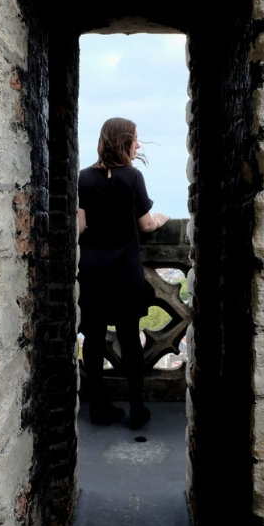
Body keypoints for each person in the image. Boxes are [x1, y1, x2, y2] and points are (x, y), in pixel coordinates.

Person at [77, 118, 169, 429]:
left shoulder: (83, 178)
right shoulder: (133, 177)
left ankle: (99, 407)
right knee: (130, 338)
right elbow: (145, 225)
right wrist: (159, 218)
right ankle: (136, 408)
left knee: (93, 337)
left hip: (91, 268)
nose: (139, 145)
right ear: (124, 142)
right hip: (124, 269)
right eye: (135, 140)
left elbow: (79, 227)